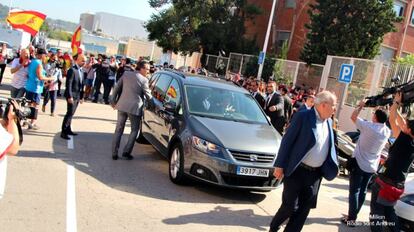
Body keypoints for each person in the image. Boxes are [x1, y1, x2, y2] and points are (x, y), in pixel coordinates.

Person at [269, 91, 339, 232]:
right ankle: (274, 226)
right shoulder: (303, 116)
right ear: (324, 105)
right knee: (289, 207)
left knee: (303, 210)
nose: (335, 109)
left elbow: (330, 146)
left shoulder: (330, 122)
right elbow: (287, 141)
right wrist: (279, 165)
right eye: (334, 105)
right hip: (297, 171)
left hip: (315, 175)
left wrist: (333, 165)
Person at [341, 100, 391, 226]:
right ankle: (353, 215)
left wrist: (360, 106)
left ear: (375, 117)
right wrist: (383, 110)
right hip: (372, 166)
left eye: (374, 114)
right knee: (362, 191)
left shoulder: (368, 126)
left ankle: (351, 218)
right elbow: (383, 119)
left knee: (354, 191)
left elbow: (353, 117)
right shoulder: (386, 131)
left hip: (359, 163)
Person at [370, 92, 414, 232]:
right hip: (397, 185)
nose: (403, 124)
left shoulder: (402, 140)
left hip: (386, 183)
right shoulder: (411, 141)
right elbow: (401, 122)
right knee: (389, 212)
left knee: (376, 213)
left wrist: (396, 103)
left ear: (408, 130)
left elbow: (393, 118)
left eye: (406, 125)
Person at [110, 60, 152, 160]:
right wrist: (152, 102)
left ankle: (114, 153)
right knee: (134, 130)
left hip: (122, 105)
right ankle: (126, 152)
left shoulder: (126, 74)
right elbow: (148, 96)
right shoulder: (144, 80)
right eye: (147, 69)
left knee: (118, 130)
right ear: (141, 68)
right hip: (134, 108)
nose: (148, 71)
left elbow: (116, 88)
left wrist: (113, 101)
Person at [25, 48, 55, 130]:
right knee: (35, 106)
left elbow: (28, 74)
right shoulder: (38, 64)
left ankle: (26, 121)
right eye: (45, 55)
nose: (46, 56)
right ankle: (32, 123)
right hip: (36, 88)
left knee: (29, 104)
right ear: (41, 55)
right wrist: (50, 78)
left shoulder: (32, 62)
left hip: (29, 86)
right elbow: (40, 77)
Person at [60, 54, 86, 140]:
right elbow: (69, 84)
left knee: (72, 114)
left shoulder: (82, 71)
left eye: (85, 61)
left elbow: (82, 85)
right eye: (82, 60)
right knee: (69, 113)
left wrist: (82, 97)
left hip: (78, 96)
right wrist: (69, 96)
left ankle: (68, 130)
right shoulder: (72, 70)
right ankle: (63, 132)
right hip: (72, 96)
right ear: (77, 60)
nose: (84, 62)